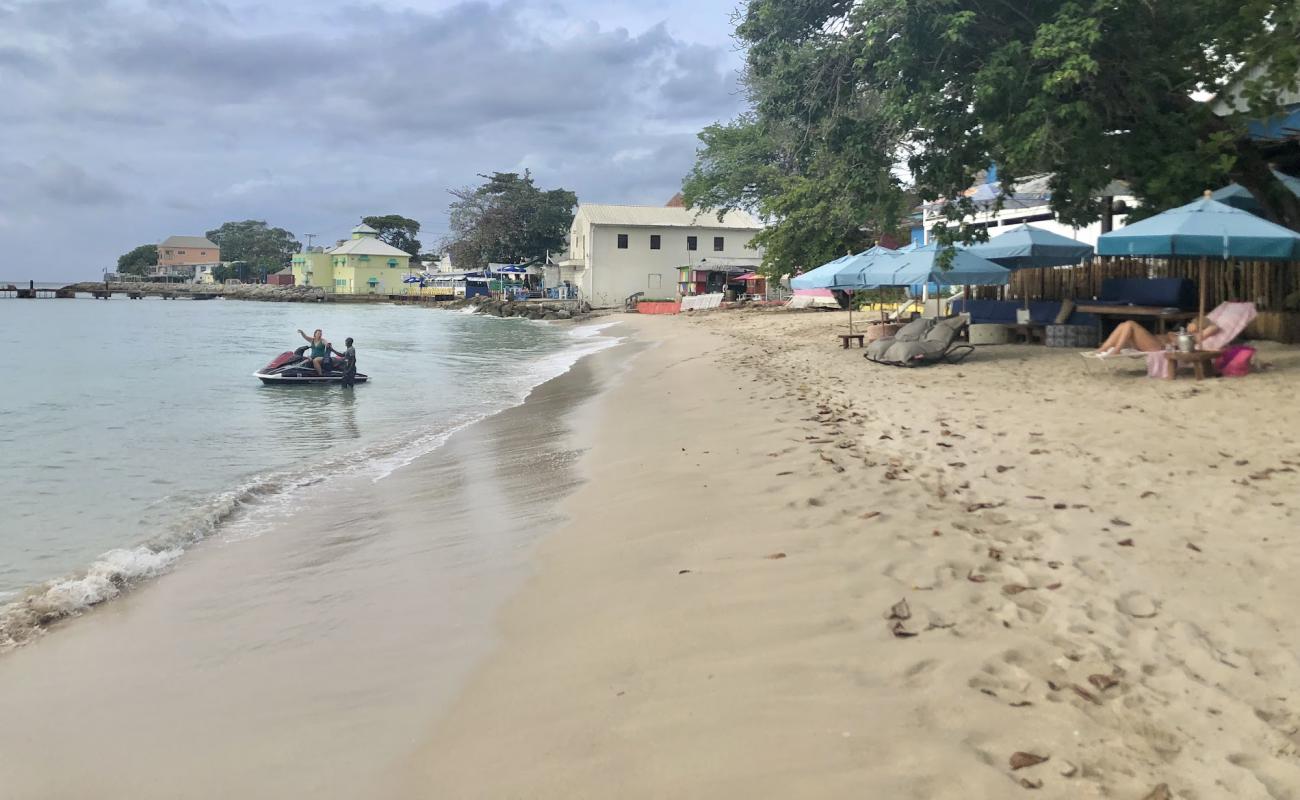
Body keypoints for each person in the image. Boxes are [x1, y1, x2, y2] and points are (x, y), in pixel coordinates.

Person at [1093, 317, 1219, 356]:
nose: (1189, 324)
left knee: (1130, 324)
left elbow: (1214, 328)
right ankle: (1104, 348)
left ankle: (1116, 350)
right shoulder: (1184, 332)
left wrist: (1201, 326)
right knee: (1123, 324)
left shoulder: (1193, 337)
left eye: (1193, 322)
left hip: (1158, 347)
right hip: (1152, 342)